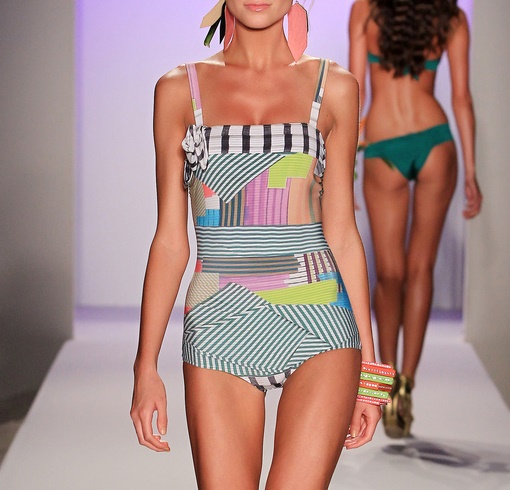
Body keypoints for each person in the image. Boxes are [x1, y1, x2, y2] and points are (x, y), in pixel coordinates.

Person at [131, 1, 387, 487]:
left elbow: (342, 233)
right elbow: (170, 241)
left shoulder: (335, 87)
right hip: (217, 326)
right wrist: (145, 367)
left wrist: (371, 374)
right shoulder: (179, 90)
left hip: (320, 323)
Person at [348, 0, 482, 438]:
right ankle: (406, 386)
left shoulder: (366, 11)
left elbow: (355, 93)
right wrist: (472, 172)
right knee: (420, 268)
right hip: (435, 140)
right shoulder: (450, 17)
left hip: (383, 144)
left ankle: (382, 389)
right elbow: (461, 98)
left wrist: (345, 170)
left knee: (389, 274)